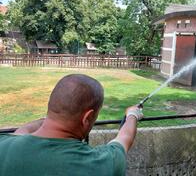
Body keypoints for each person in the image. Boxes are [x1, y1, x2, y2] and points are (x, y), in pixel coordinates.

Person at [0, 74, 143, 176]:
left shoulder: (4, 145)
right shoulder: (105, 163)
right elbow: (124, 138)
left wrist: (52, 117)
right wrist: (133, 115)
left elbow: (21, 132)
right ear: (87, 118)